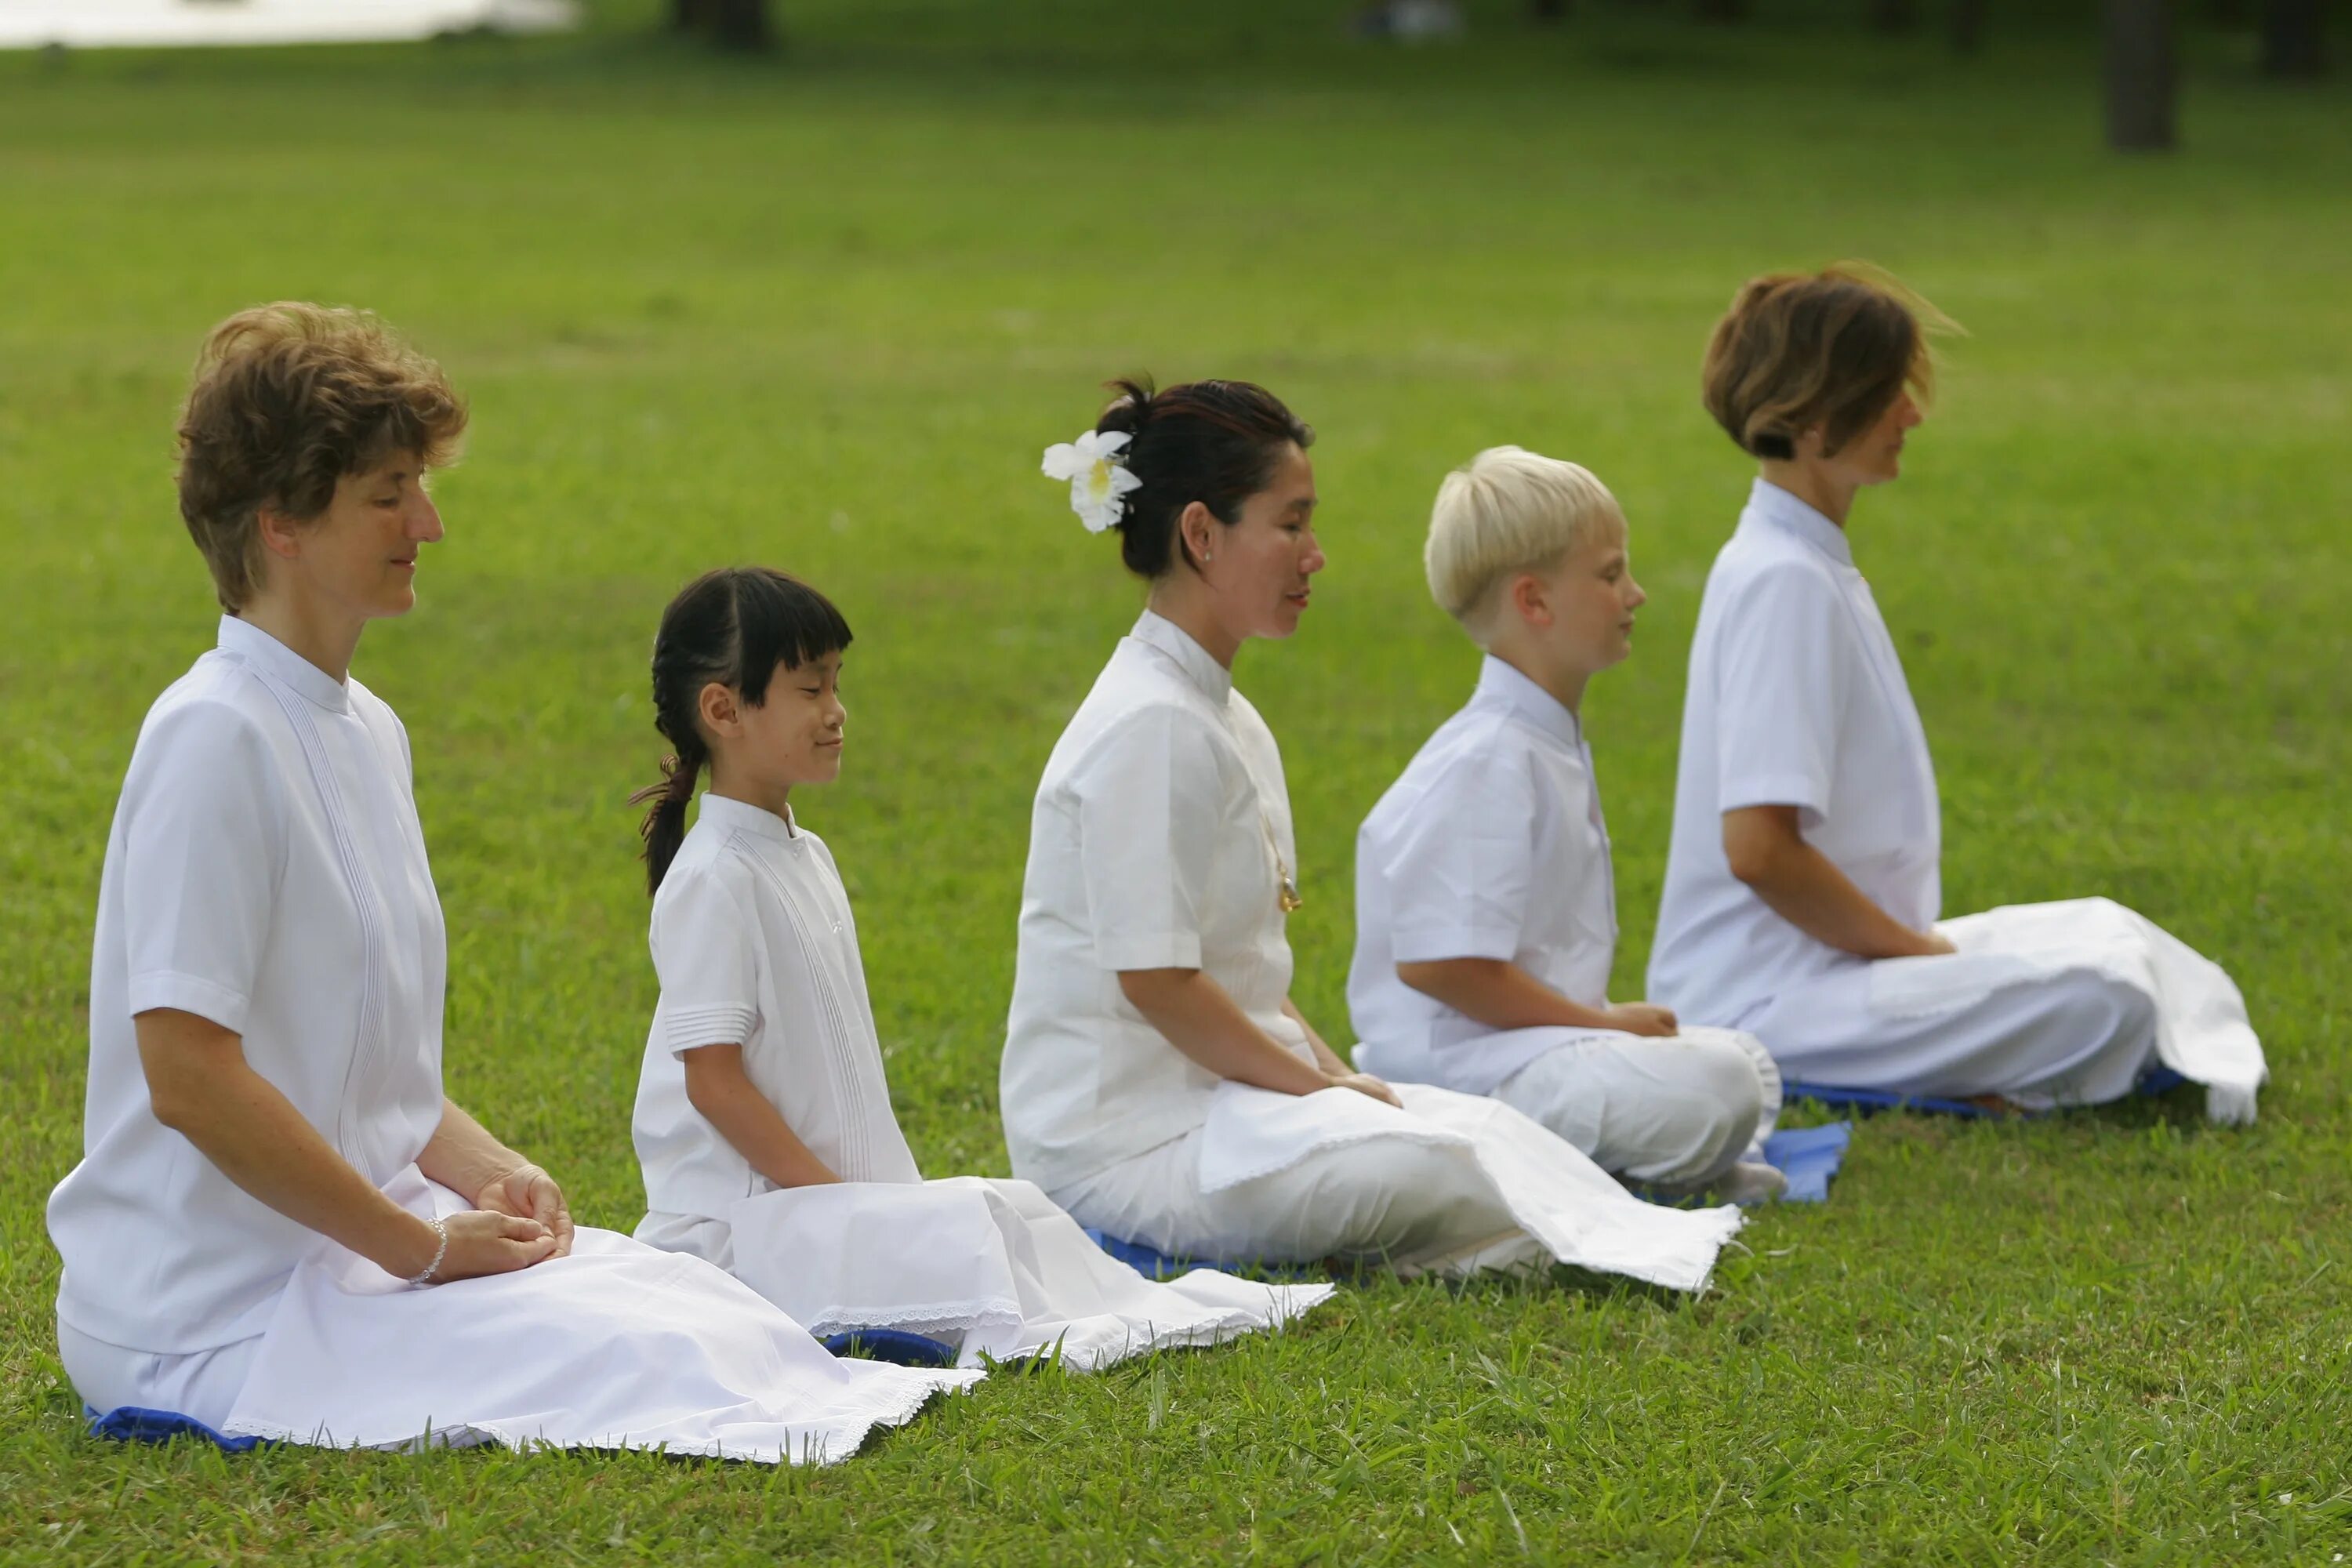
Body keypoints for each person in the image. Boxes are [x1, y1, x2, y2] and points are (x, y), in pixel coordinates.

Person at [45, 304, 974, 1462]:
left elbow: (355, 1061)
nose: (426, 522)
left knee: (693, 1308)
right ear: (280, 520)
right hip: (213, 1313)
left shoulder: (367, 730)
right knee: (647, 1360)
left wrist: (488, 1168)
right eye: (388, 493)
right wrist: (416, 1246)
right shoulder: (212, 737)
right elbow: (187, 1077)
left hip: (352, 1254)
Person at [1000, 379, 1741, 1293]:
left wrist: (1340, 1079)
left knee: (1478, 1130)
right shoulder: (1150, 726)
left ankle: (1538, 1232)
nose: (1316, 556)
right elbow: (1158, 982)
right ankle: (1527, 1241)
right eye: (1292, 524)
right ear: (1201, 534)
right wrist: (1321, 1095)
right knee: (1429, 1162)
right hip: (1126, 1150)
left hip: (1227, 1106)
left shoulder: (1221, 715)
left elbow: (1244, 976)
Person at [626, 566, 1330, 1369]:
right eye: (809, 688)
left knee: (1011, 1208)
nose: (836, 711)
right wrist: (838, 1207)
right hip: (747, 1227)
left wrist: (870, 1206)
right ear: (723, 709)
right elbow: (714, 1083)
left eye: (836, 684)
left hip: (823, 1204)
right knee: (978, 1236)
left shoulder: (800, 853)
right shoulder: (712, 875)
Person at [1646, 266, 2265, 1121]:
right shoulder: (1781, 579)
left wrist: (1915, 953)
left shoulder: (1802, 558)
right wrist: (1914, 954)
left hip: (1847, 962)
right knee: (2107, 996)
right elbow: (1759, 849)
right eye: (1888, 391)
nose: (1913, 412)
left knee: (2113, 932)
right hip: (1772, 997)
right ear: (1817, 419)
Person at [1348, 447, 1783, 1200]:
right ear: (1535, 602)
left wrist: (1602, 1024)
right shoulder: (1486, 759)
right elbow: (1442, 966)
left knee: (1744, 1060)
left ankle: (1649, 1159)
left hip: (1533, 1049)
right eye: (1611, 574)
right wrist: (1602, 1024)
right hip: (1462, 1075)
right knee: (1720, 1083)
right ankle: (1605, 1170)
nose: (1635, 594)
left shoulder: (1537, 738)